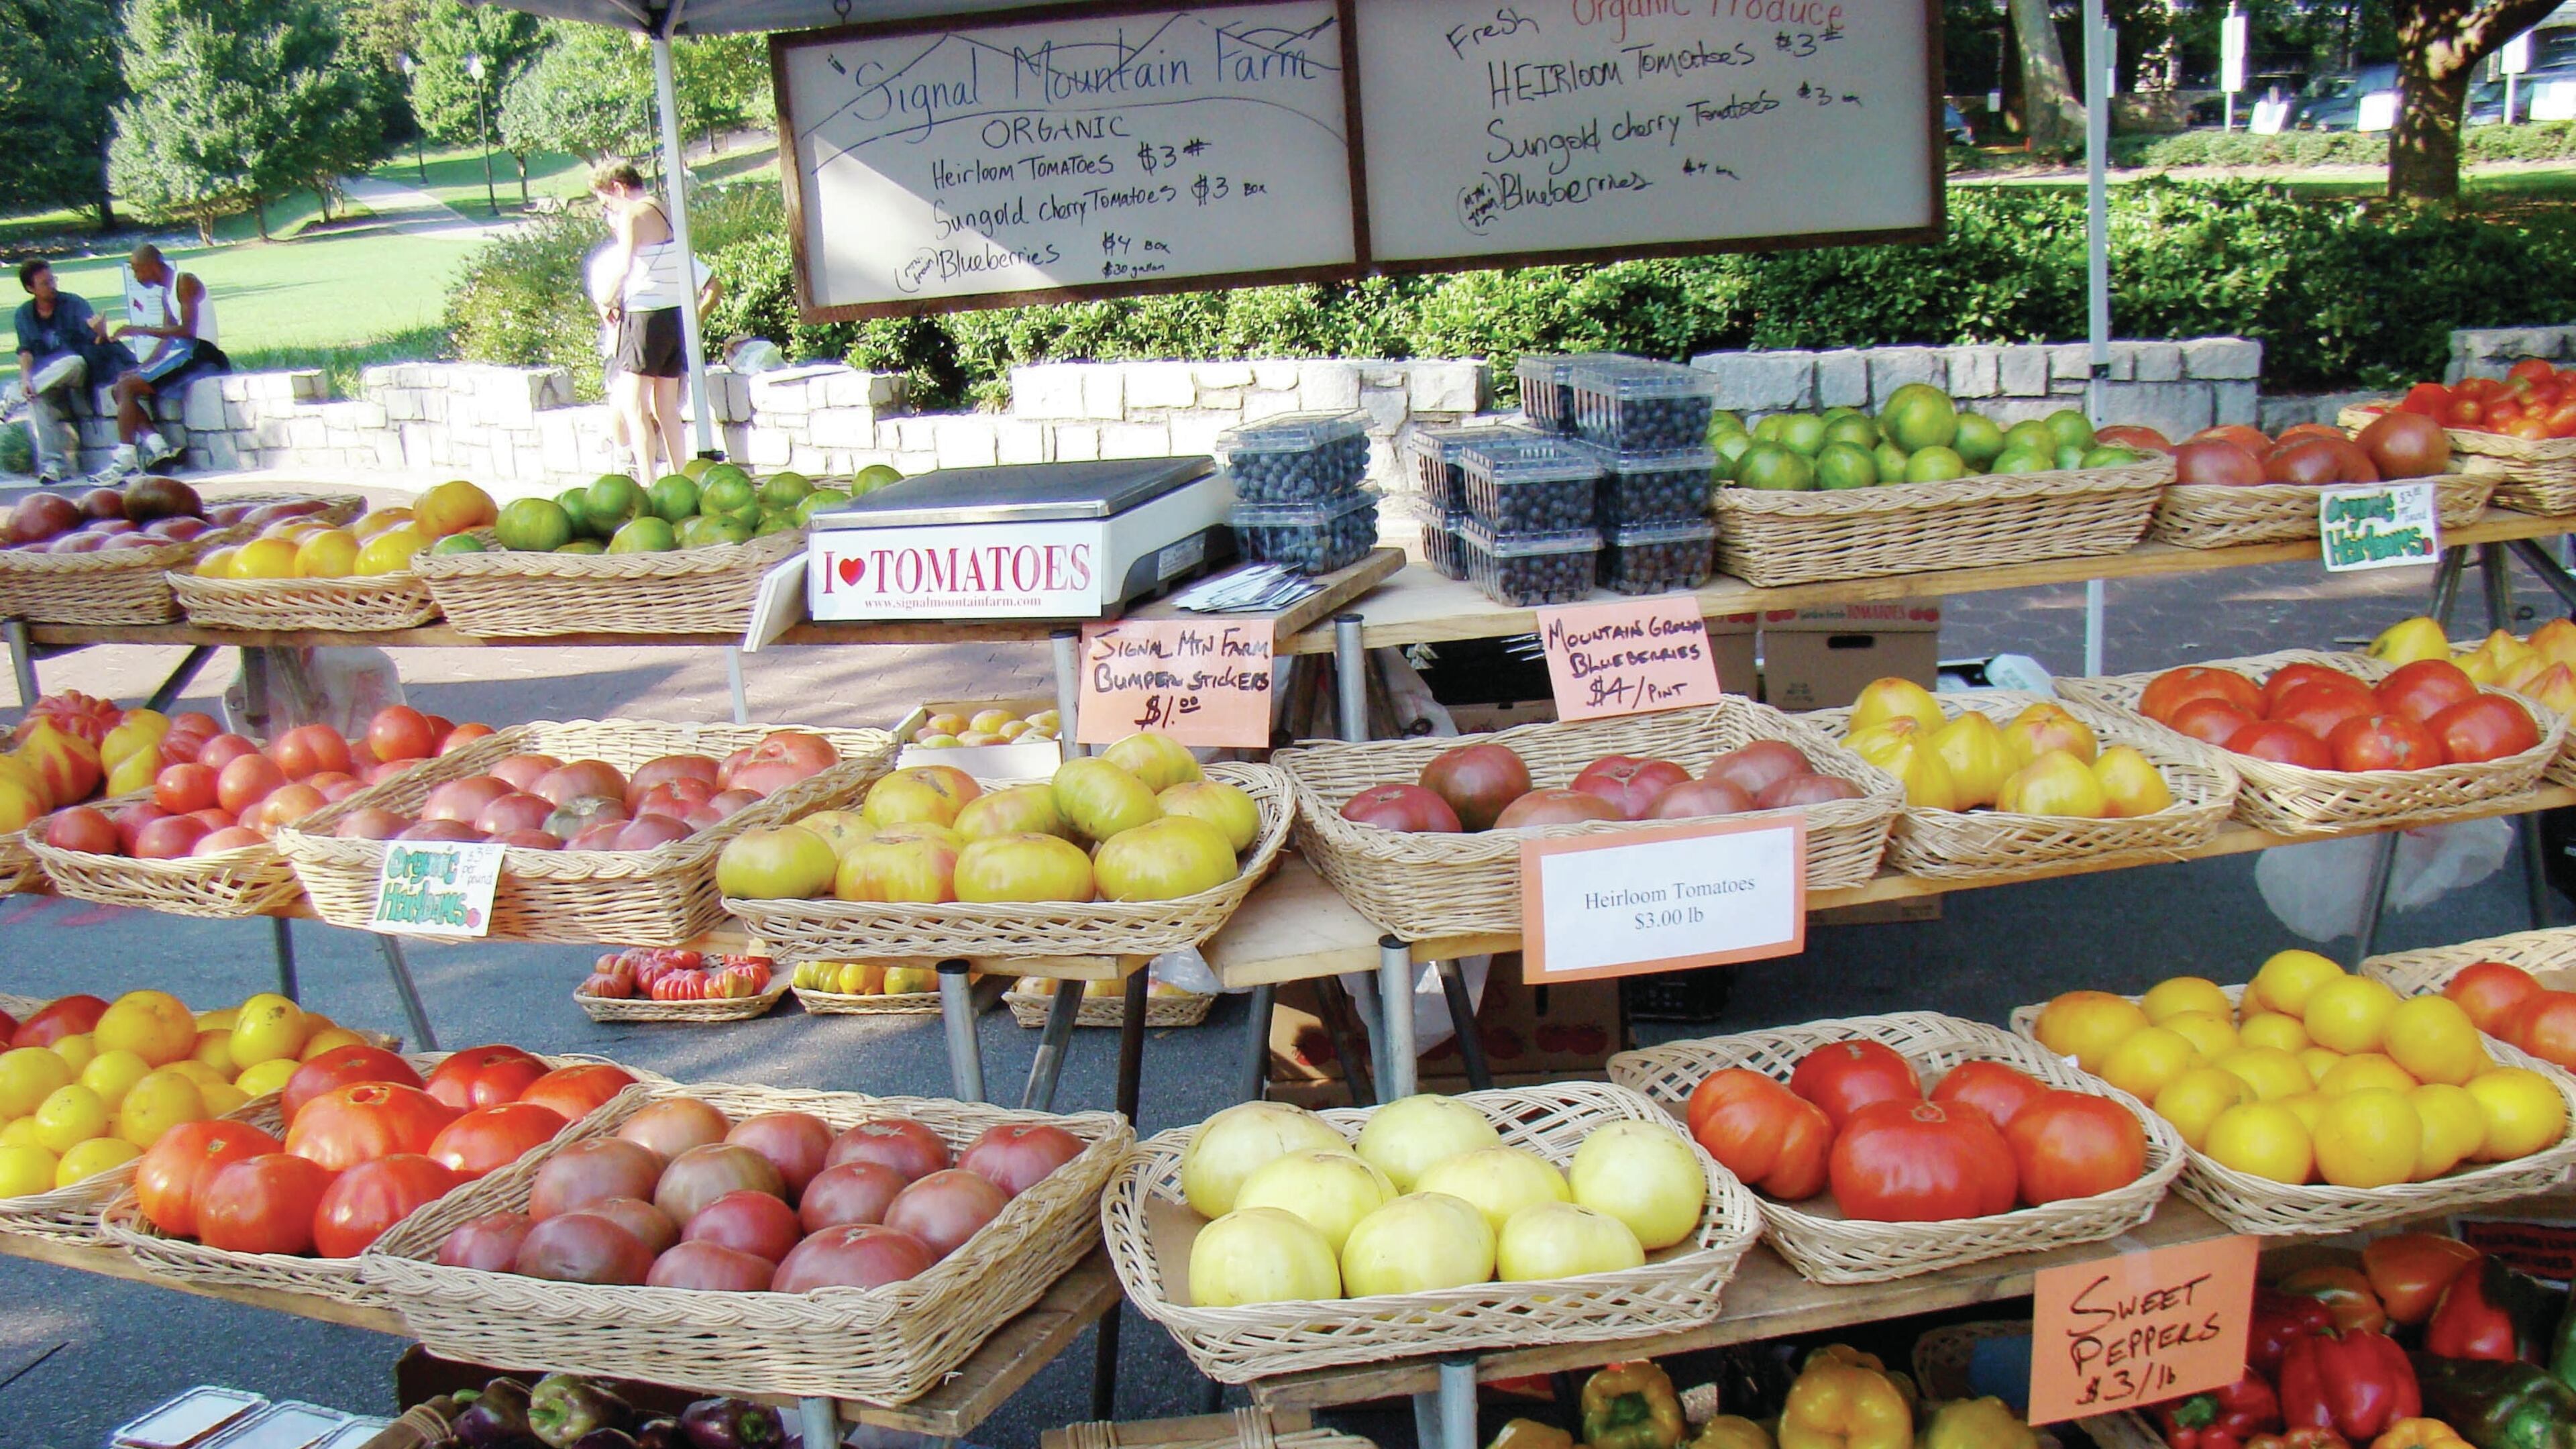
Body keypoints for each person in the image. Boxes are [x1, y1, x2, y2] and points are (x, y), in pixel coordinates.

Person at [590, 162, 721, 480]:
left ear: (618, 188)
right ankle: (682, 479)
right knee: (667, 408)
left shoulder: (632, 216)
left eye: (607, 202)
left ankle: (649, 483)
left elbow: (624, 266)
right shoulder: (663, 210)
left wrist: (607, 299)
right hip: (674, 316)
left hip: (644, 317)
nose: (609, 210)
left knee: (635, 407)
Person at [107, 243, 229, 476]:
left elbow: (187, 331)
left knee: (127, 388)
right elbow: (167, 339)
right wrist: (143, 367)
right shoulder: (166, 293)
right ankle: (159, 448)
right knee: (121, 388)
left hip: (200, 354)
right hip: (184, 353)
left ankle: (126, 456)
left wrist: (139, 330)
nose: (136, 276)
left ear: (153, 266)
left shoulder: (185, 281)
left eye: (137, 270)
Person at [12, 259, 116, 484]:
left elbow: (97, 343)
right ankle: (53, 466)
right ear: (31, 288)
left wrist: (100, 332)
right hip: (48, 379)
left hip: (79, 372)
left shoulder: (74, 304)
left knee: (72, 361)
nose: (52, 286)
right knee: (35, 397)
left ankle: (12, 398)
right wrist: (26, 380)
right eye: (45, 283)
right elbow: (26, 352)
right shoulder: (24, 314)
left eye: (53, 280)